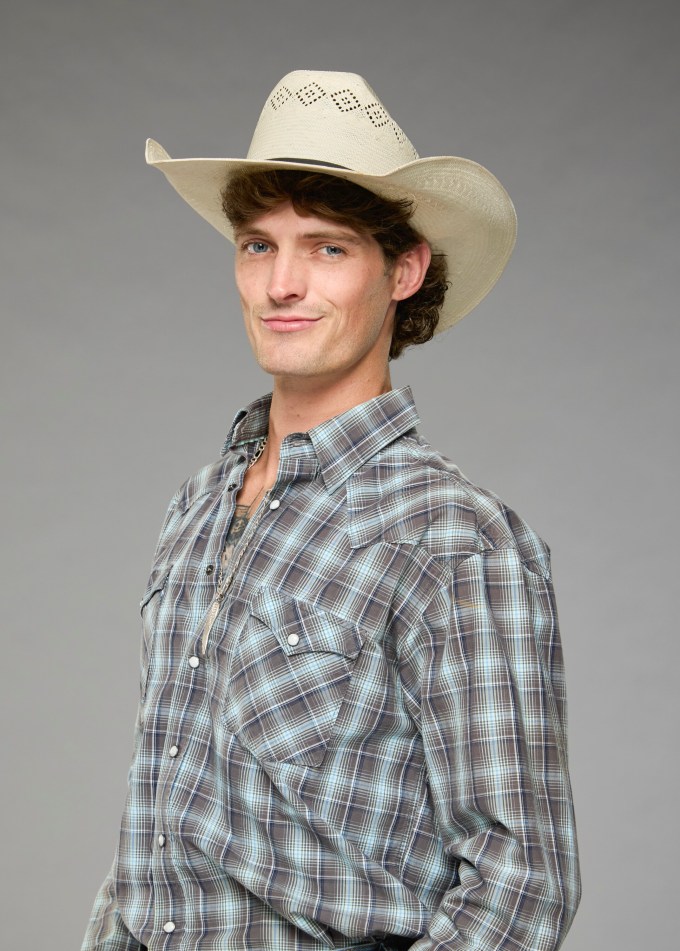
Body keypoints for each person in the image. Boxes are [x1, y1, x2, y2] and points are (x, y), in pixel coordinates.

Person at [82, 70, 580, 951]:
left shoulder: (454, 539)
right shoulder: (198, 505)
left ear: (404, 270)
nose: (282, 283)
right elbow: (162, 832)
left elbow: (521, 886)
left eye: (328, 249)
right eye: (258, 245)